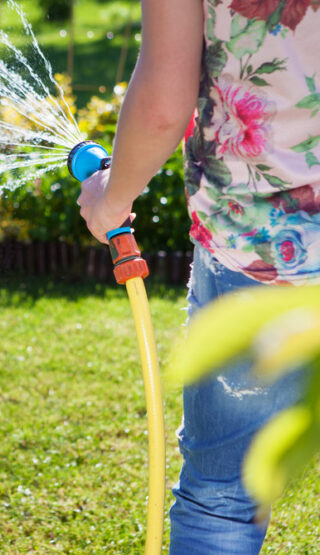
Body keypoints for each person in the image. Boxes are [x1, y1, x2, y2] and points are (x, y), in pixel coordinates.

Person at [77, 1, 320, 553]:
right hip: (264, 245)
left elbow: (166, 99)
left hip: (264, 245)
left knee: (223, 497)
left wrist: (111, 201)